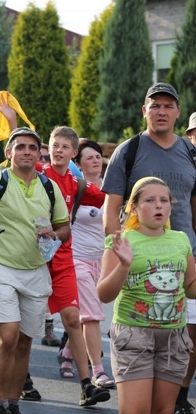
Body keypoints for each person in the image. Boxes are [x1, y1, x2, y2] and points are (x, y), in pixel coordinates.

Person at [0, 126, 71, 414]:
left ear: (39, 153)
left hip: (35, 270)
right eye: (20, 147)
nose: (27, 152)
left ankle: (14, 404)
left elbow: (65, 227)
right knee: (7, 336)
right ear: (9, 153)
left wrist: (54, 236)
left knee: (24, 343)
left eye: (32, 147)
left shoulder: (48, 186)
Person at [102, 83, 196, 414]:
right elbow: (111, 210)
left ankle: (181, 395)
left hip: (184, 258)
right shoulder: (129, 150)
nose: (161, 111)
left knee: (187, 338)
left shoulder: (190, 151)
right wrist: (120, 254)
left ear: (177, 112)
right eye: (154, 106)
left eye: (168, 106)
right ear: (145, 110)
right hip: (138, 267)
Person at [97, 177, 196, 414]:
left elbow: (191, 287)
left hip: (174, 336)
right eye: (150, 200)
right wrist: (123, 265)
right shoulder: (121, 241)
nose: (159, 205)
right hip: (133, 334)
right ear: (134, 207)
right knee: (136, 411)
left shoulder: (181, 239)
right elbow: (104, 294)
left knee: (163, 410)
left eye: (164, 200)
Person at [37, 127, 110, 406]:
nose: (58, 150)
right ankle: (21, 379)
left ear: (73, 153)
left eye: (64, 147)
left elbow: (108, 201)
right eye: (54, 145)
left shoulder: (77, 184)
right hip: (30, 259)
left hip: (65, 258)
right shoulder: (37, 174)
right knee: (21, 326)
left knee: (72, 318)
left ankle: (87, 384)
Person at [70, 139, 114, 388]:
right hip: (77, 258)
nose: (96, 160)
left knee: (85, 316)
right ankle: (98, 371)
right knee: (92, 316)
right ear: (78, 164)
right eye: (89, 157)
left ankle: (67, 353)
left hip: (104, 260)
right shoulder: (76, 188)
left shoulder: (112, 189)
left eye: (98, 156)